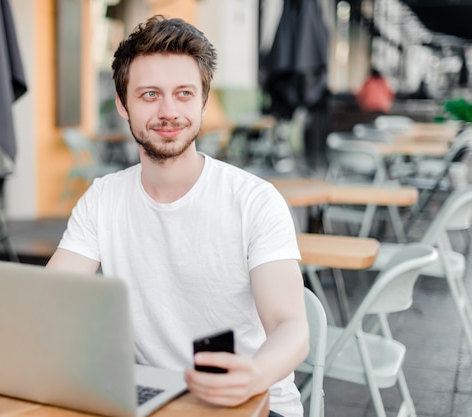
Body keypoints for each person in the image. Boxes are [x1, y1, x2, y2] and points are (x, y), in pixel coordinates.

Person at [47, 15, 309, 417]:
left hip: (253, 403)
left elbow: (291, 327)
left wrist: (254, 375)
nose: (169, 111)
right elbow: (49, 299)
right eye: (150, 94)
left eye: (184, 93)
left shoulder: (255, 201)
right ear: (123, 104)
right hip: (152, 399)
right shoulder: (102, 199)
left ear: (203, 101)